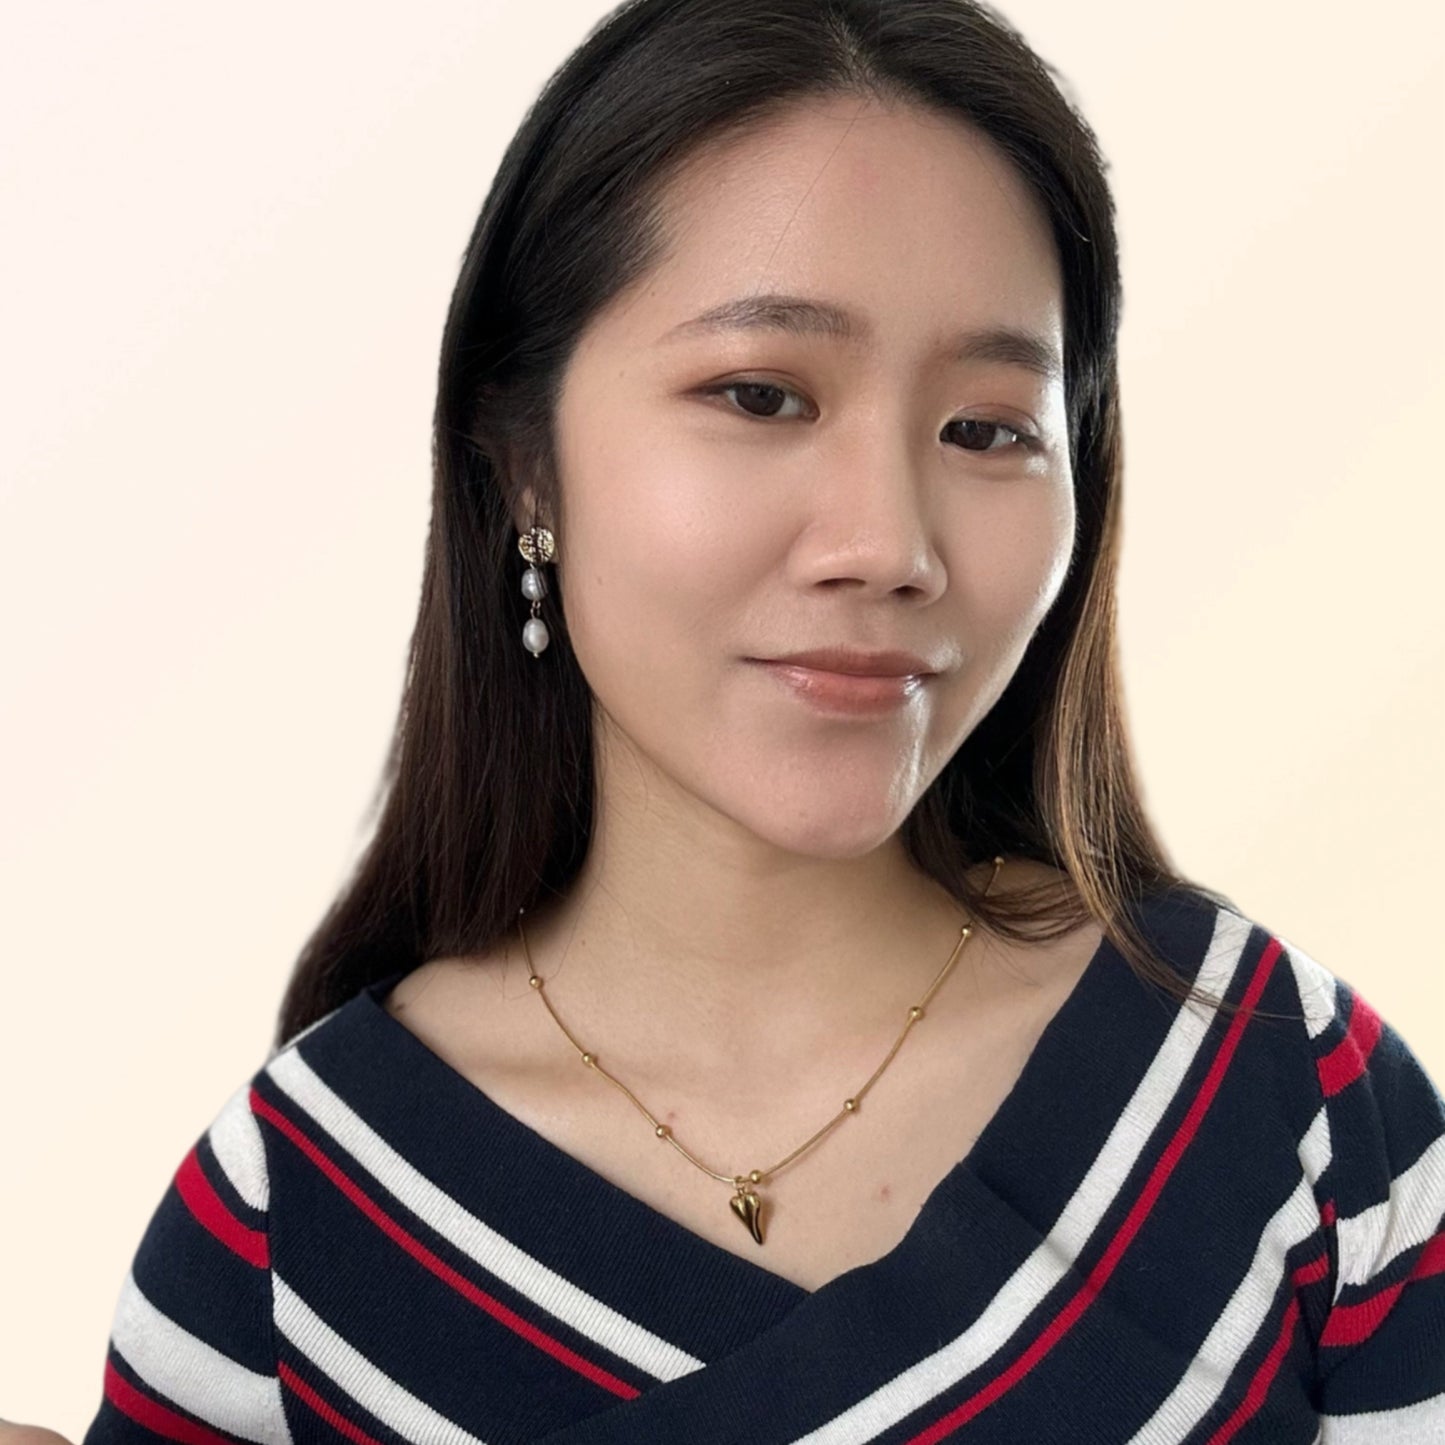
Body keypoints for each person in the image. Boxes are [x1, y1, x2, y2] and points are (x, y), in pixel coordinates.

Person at [75, 0, 1444, 1439]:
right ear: (523, 463)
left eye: (986, 429)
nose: (887, 542)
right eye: (759, 393)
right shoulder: (296, 1231)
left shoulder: (1284, 1097)